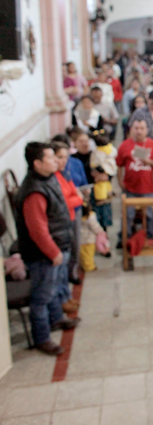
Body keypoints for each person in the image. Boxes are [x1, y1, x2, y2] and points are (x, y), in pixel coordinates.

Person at [16, 143, 81, 355]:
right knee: (41, 297)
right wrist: (53, 252)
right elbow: (38, 229)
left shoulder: (48, 178)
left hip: (58, 245)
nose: (56, 161)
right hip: (43, 254)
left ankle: (56, 319)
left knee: (53, 289)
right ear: (37, 163)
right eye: (51, 158)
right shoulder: (34, 191)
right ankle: (42, 338)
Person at [116, 119, 153, 242]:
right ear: (132, 129)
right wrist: (119, 181)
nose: (139, 131)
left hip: (147, 187)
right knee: (128, 214)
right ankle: (125, 237)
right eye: (136, 128)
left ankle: (150, 236)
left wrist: (150, 162)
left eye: (142, 128)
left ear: (147, 130)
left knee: (149, 214)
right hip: (130, 187)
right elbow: (119, 165)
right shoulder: (125, 145)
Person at [51, 142, 83, 313]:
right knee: (61, 265)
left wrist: (76, 197)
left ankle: (66, 296)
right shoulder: (53, 178)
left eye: (66, 157)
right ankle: (62, 299)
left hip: (69, 218)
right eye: (60, 157)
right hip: (61, 222)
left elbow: (73, 192)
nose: (64, 161)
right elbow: (64, 201)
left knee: (70, 255)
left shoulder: (64, 174)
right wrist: (77, 199)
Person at [90, 130, 117, 230]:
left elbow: (112, 166)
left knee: (104, 218)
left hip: (104, 184)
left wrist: (108, 175)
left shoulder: (109, 150)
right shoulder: (94, 152)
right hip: (93, 188)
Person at [80, 203, 110, 272]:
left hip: (81, 240)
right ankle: (90, 267)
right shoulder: (90, 217)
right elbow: (95, 227)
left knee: (83, 254)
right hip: (89, 240)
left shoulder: (78, 217)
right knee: (89, 255)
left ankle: (83, 264)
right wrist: (101, 231)